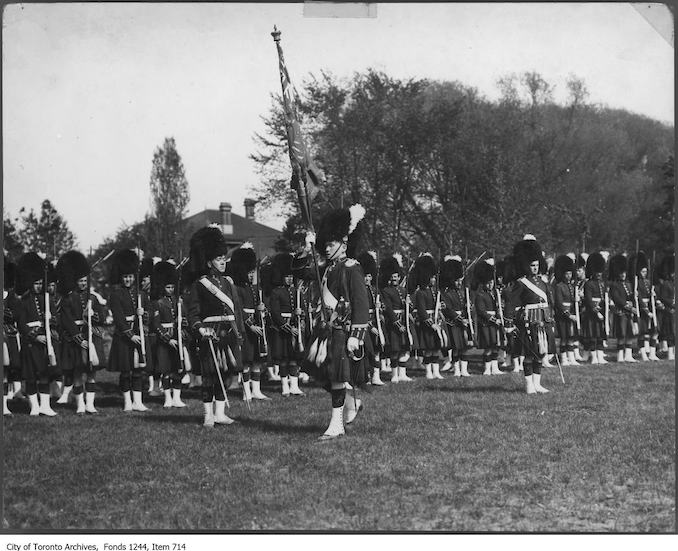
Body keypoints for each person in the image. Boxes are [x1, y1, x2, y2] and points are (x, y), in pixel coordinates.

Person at [304, 204, 369, 440]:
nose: (327, 248)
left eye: (331, 244)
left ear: (344, 241)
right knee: (321, 374)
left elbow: (362, 305)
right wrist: (309, 246)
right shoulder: (329, 268)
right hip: (326, 332)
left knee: (336, 377)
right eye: (325, 244)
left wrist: (356, 336)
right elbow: (302, 271)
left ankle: (336, 424)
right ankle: (352, 404)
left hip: (343, 331)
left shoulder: (352, 268)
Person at [185, 225, 244, 427]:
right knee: (209, 376)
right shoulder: (199, 284)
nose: (223, 262)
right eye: (218, 259)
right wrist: (201, 329)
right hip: (210, 335)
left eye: (224, 258)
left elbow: (235, 311)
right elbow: (192, 314)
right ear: (209, 261)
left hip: (228, 334)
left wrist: (238, 333)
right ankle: (208, 414)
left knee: (225, 374)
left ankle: (220, 413)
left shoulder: (228, 283)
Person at [505, 235, 555, 394]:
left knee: (540, 352)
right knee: (529, 353)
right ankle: (528, 385)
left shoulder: (543, 283)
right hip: (529, 320)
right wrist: (509, 322)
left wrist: (551, 319)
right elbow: (511, 304)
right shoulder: (521, 283)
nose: (535, 268)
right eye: (532, 265)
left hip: (543, 319)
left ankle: (537, 383)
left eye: (537, 265)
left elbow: (550, 303)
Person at [56, 250, 101, 413]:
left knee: (91, 374)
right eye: (80, 281)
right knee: (77, 373)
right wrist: (78, 338)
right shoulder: (69, 298)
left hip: (91, 337)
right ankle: (80, 404)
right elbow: (66, 320)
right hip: (76, 340)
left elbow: (101, 317)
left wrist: (94, 315)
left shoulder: (93, 297)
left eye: (85, 280)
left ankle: (90, 404)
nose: (83, 283)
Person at [15, 252, 59, 416]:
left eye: (41, 283)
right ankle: (34, 406)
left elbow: (57, 320)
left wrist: (51, 318)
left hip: (46, 342)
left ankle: (45, 406)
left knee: (45, 375)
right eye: (36, 283)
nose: (39, 286)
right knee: (32, 377)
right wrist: (35, 336)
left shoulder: (48, 299)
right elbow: (21, 324)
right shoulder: (23, 301)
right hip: (31, 343)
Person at [107, 249, 150, 412]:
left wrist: (143, 314)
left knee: (138, 370)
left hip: (139, 334)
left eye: (130, 276)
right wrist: (130, 335)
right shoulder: (115, 295)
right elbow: (118, 318)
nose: (128, 279)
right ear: (121, 277)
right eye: (125, 277)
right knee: (126, 371)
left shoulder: (141, 294)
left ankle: (138, 402)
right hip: (124, 337)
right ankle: (127, 402)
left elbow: (148, 315)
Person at [231, 243, 270, 401]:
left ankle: (256, 390)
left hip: (256, 327)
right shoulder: (237, 288)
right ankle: (246, 391)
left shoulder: (253, 288)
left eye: (253, 272)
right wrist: (250, 325)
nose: (251, 275)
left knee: (257, 361)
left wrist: (262, 310)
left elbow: (256, 307)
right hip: (246, 328)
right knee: (246, 361)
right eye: (249, 272)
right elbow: (238, 311)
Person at [268, 252, 305, 396]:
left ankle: (294, 386)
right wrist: (287, 327)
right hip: (282, 329)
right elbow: (275, 313)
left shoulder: (297, 292)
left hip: (295, 328)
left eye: (291, 276)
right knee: (283, 359)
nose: (289, 279)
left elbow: (303, 309)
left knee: (294, 358)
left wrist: (300, 314)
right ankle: (285, 387)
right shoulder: (276, 292)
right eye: (287, 276)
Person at [151, 260, 187, 408]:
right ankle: (167, 398)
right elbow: (156, 323)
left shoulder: (179, 301)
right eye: (167, 287)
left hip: (178, 337)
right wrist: (167, 338)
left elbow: (184, 319)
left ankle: (177, 398)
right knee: (165, 370)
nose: (170, 290)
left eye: (172, 287)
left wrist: (183, 325)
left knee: (178, 369)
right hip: (164, 340)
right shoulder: (158, 302)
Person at [379, 253, 414, 383]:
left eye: (396, 276)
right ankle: (394, 375)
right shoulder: (386, 291)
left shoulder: (403, 291)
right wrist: (398, 324)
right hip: (394, 322)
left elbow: (409, 308)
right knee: (395, 350)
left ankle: (402, 374)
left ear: (399, 277)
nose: (394, 279)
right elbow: (388, 309)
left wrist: (409, 304)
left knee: (404, 349)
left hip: (405, 319)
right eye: (392, 277)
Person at [411, 253, 444, 380]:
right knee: (428, 350)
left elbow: (435, 306)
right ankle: (428, 372)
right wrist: (431, 324)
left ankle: (436, 372)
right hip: (427, 324)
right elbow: (422, 311)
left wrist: (441, 306)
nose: (434, 280)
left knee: (436, 348)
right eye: (432, 278)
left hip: (436, 321)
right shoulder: (421, 293)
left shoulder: (433, 292)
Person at [439, 255, 471, 377]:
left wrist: (469, 307)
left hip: (463, 322)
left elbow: (464, 306)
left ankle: (464, 370)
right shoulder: (446, 293)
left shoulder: (462, 292)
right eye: (457, 280)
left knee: (464, 347)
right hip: (453, 324)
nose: (459, 283)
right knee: (456, 348)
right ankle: (457, 370)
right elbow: (448, 309)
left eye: (460, 280)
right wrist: (460, 319)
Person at [358, 251, 385, 386]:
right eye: (365, 276)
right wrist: (370, 326)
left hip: (377, 323)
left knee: (377, 350)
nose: (367, 279)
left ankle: (376, 376)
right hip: (365, 324)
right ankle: (366, 376)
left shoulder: (374, 290)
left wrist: (380, 309)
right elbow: (359, 311)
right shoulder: (358, 291)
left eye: (369, 276)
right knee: (367, 351)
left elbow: (382, 306)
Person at [629, 251, 660, 362]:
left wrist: (654, 296)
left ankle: (652, 353)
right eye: (642, 271)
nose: (645, 273)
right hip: (642, 311)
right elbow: (639, 299)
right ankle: (643, 354)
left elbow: (650, 296)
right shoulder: (636, 282)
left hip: (650, 309)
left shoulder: (648, 282)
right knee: (642, 334)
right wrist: (646, 311)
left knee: (654, 331)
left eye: (646, 271)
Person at [474, 259, 503, 376]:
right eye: (488, 283)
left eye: (491, 282)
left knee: (495, 345)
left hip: (495, 323)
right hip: (486, 324)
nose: (490, 285)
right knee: (488, 347)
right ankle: (487, 368)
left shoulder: (495, 294)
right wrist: (493, 319)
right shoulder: (480, 295)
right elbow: (481, 311)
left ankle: (495, 368)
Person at [608, 254, 638, 363]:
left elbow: (630, 296)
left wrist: (634, 296)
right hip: (621, 312)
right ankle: (620, 356)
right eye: (621, 273)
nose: (623, 275)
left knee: (630, 334)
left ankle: (628, 355)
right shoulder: (615, 285)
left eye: (624, 273)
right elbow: (617, 299)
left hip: (628, 313)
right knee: (621, 335)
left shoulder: (629, 284)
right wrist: (629, 306)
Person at [553, 254, 580, 366]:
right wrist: (569, 315)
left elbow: (573, 302)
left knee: (571, 337)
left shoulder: (573, 286)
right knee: (564, 338)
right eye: (566, 273)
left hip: (571, 313)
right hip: (563, 316)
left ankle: (571, 357)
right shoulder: (559, 286)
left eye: (570, 273)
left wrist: (578, 299)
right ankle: (564, 359)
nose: (569, 276)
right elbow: (559, 303)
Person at [582, 252, 609, 365]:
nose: (599, 274)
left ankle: (600, 356)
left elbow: (603, 298)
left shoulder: (602, 283)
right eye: (597, 272)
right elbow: (588, 300)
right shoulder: (588, 284)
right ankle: (594, 357)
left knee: (600, 336)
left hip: (601, 312)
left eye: (600, 271)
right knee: (593, 336)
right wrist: (596, 311)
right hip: (592, 314)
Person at [3, 258, 20, 415]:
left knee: (6, 369)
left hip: (7, 335)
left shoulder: (10, 296)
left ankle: (3, 405)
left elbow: (15, 315)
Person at [655, 253, 674, 361]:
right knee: (670, 333)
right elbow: (663, 297)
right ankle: (669, 353)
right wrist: (672, 303)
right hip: (668, 311)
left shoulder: (673, 283)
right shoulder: (666, 284)